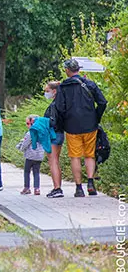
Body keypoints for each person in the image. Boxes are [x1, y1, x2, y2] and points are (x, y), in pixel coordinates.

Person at [53, 59, 108, 197]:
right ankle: (90, 182)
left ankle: (78, 188)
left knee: (75, 157)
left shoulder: (63, 87)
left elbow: (59, 108)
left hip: (72, 127)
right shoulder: (89, 84)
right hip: (90, 125)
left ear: (67, 70)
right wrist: (96, 117)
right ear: (78, 69)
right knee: (90, 155)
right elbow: (102, 102)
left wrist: (63, 123)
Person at [42, 81, 66, 198]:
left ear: (54, 91)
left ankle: (57, 188)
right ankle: (57, 186)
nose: (46, 94)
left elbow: (52, 121)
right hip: (60, 133)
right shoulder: (61, 103)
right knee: (55, 160)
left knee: (53, 161)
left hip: (54, 134)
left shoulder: (54, 105)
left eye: (47, 91)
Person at [17, 115, 47, 195]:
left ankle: (26, 188)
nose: (27, 125)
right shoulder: (42, 132)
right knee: (36, 172)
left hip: (30, 155)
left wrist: (20, 148)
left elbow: (25, 144)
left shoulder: (30, 133)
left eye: (27, 123)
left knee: (27, 172)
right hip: (39, 156)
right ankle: (37, 188)